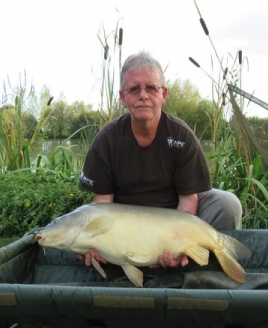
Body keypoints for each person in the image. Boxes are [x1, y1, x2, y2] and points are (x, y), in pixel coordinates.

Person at [78, 51, 242, 269]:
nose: (143, 95)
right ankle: (130, 256)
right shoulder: (107, 140)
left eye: (151, 88)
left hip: (174, 215)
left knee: (228, 204)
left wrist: (177, 245)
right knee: (82, 223)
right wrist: (94, 241)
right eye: (134, 89)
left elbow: (188, 201)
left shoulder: (181, 136)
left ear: (163, 94)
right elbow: (102, 205)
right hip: (128, 224)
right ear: (122, 97)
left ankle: (200, 262)